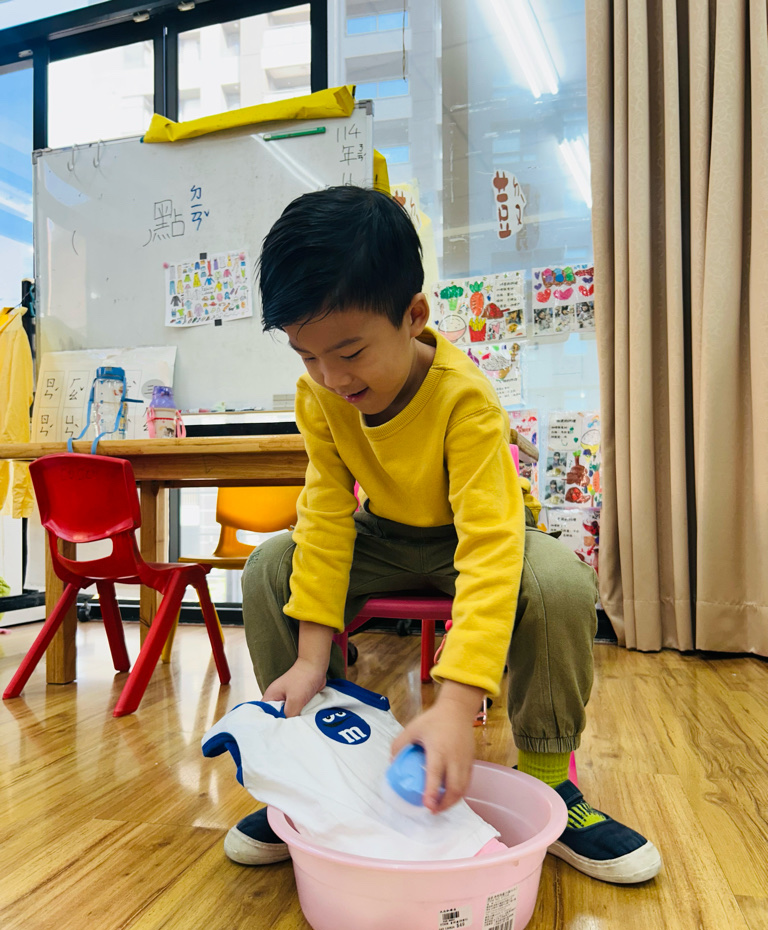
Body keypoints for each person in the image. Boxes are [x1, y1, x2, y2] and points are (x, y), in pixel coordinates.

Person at [226, 186, 661, 885]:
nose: (331, 377)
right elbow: (327, 515)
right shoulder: (321, 397)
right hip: (387, 533)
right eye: (307, 356)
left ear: (414, 317)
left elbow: (489, 547)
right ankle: (321, 767)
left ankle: (552, 784)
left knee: (558, 582)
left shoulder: (466, 398)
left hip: (477, 532)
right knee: (271, 565)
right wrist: (310, 658)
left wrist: (457, 702)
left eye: (350, 351)